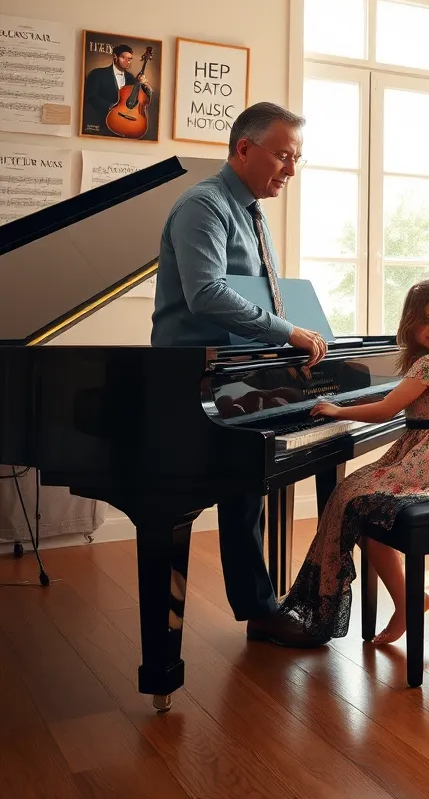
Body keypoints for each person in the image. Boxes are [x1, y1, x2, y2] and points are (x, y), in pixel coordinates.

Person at [151, 100, 330, 647]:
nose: (291, 171)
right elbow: (205, 295)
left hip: (237, 373)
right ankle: (257, 607)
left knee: (250, 481)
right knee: (233, 484)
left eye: (297, 159)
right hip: (188, 379)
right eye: (283, 156)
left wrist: (295, 332)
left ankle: (266, 605)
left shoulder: (252, 210)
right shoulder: (203, 205)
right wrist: (288, 332)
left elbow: (259, 298)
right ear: (244, 149)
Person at [280, 278, 429, 644]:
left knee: (353, 498)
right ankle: (408, 597)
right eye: (425, 321)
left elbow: (387, 410)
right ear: (410, 324)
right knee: (357, 501)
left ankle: (406, 599)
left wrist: (337, 410)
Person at [83, 44, 151, 127]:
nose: (127, 61)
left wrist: (145, 85)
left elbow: (143, 101)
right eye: (123, 58)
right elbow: (91, 97)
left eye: (129, 59)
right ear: (115, 57)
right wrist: (112, 107)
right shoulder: (97, 74)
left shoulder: (132, 79)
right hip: (102, 122)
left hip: (125, 124)